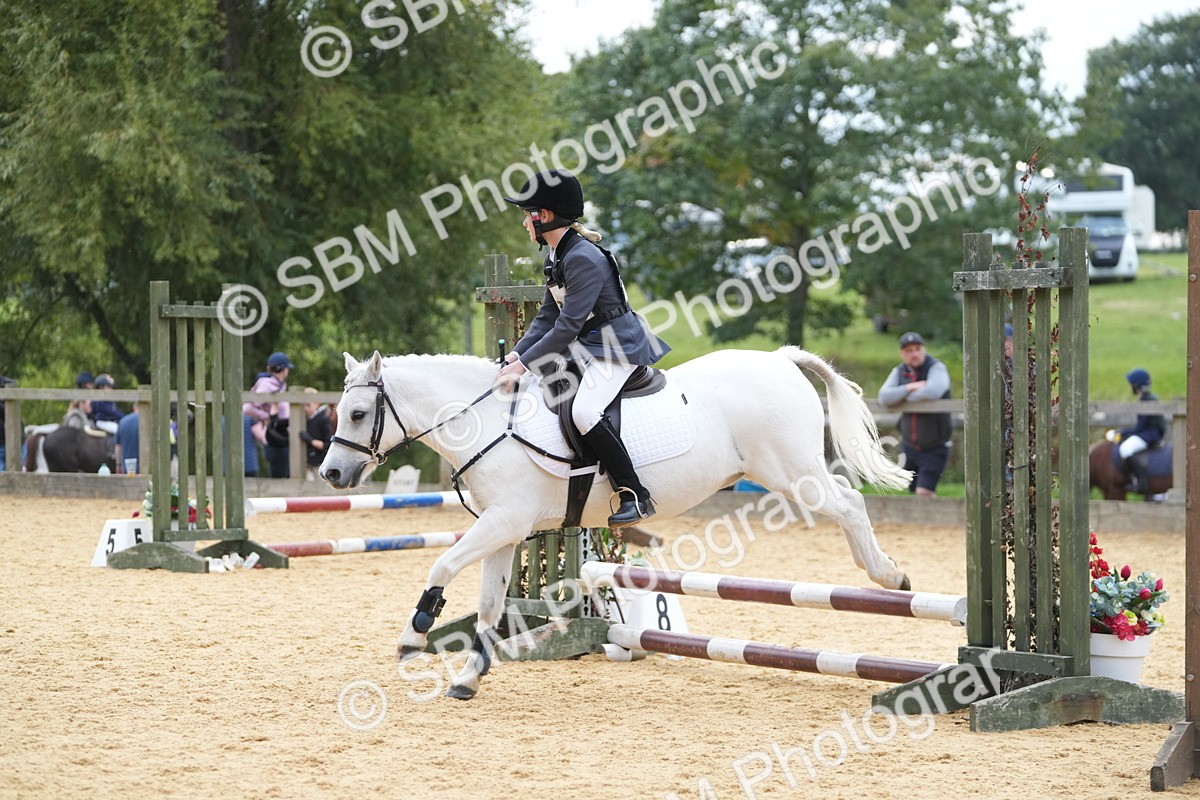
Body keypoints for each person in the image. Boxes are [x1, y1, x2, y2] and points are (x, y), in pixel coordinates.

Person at [496, 169, 670, 527]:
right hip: (592, 346)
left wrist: (524, 365)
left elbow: (568, 325)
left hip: (617, 346)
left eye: (526, 216)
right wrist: (516, 355)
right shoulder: (557, 256)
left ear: (542, 216)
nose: (524, 225)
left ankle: (635, 494)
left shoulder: (581, 258)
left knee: (585, 411)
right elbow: (547, 318)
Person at [878, 331, 953, 496]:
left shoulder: (936, 367)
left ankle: (936, 520)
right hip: (909, 446)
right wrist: (909, 387)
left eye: (917, 349)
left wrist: (900, 397)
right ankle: (930, 521)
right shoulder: (899, 371)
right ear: (902, 354)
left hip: (935, 445)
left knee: (924, 492)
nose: (914, 354)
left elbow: (933, 391)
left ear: (923, 349)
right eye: (909, 350)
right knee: (913, 493)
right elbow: (884, 397)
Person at [1107, 367, 1167, 494]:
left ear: (1136, 385)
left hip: (1151, 434)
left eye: (1131, 385)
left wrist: (1121, 432)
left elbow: (1140, 427)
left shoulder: (1147, 400)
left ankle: (1142, 482)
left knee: (1125, 449)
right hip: (1149, 432)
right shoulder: (1146, 398)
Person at [243, 352, 293, 478]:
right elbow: (247, 407)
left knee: (285, 472)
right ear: (282, 369)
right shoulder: (267, 385)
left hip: (282, 431)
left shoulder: (279, 385)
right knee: (279, 475)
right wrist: (266, 416)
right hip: (273, 433)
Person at [300, 387, 333, 480]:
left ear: (316, 404)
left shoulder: (323, 420)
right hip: (305, 463)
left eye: (308, 405)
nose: (305, 408)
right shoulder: (301, 419)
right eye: (303, 405)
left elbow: (327, 445)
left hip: (319, 463)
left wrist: (310, 440)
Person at [114, 406, 140, 474]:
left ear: (134, 407)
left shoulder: (123, 421)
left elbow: (118, 446)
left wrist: (118, 464)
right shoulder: (149, 421)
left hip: (126, 468)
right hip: (144, 468)